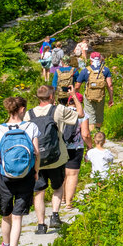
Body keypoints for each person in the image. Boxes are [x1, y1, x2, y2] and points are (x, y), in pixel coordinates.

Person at [0, 96, 39, 246]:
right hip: (26, 176)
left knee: (5, 214)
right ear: (22, 109)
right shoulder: (31, 127)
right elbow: (37, 152)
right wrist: (36, 171)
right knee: (17, 217)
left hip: (5, 178)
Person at [25, 87, 75, 233]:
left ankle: (41, 225)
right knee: (58, 188)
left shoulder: (29, 114)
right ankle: (54, 215)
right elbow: (80, 115)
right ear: (52, 96)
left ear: (37, 97)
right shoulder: (58, 110)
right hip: (57, 158)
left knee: (39, 192)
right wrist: (74, 97)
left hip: (37, 161)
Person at [79, 51, 114, 127]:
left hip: (88, 96)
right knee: (99, 116)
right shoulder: (106, 70)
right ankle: (98, 135)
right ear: (100, 59)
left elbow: (77, 85)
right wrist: (111, 98)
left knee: (90, 117)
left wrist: (75, 96)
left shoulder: (85, 70)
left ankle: (92, 135)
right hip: (100, 96)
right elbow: (110, 85)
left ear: (90, 60)